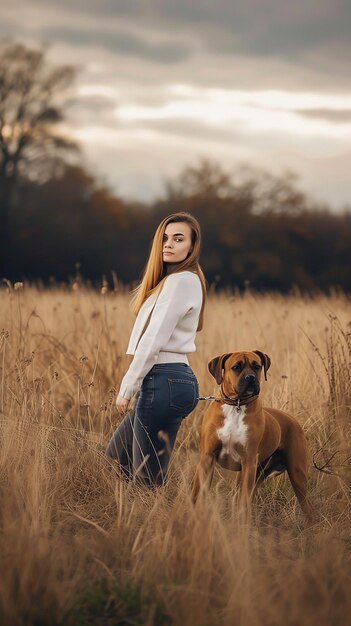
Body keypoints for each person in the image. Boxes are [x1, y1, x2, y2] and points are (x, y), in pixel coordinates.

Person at [105, 211, 207, 487]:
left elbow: (153, 339)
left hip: (165, 380)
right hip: (170, 380)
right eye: (164, 238)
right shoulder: (179, 280)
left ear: (192, 246)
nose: (168, 244)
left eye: (178, 238)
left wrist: (128, 387)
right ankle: (128, 522)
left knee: (146, 481)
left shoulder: (181, 280)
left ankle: (161, 527)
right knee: (115, 460)